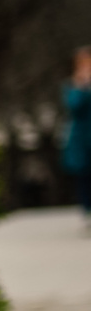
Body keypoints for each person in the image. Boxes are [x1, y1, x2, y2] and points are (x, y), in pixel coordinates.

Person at [65, 45, 91, 216]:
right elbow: (74, 107)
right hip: (83, 139)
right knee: (85, 177)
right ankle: (88, 211)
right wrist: (82, 86)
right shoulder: (74, 85)